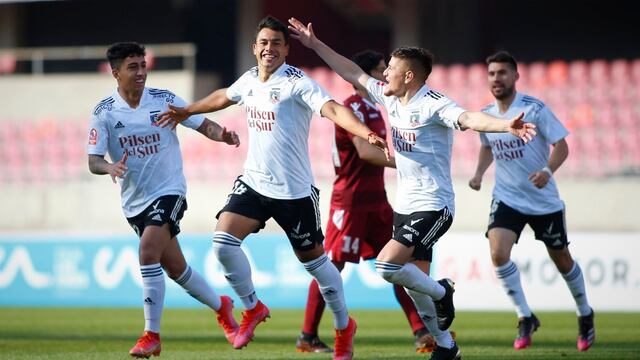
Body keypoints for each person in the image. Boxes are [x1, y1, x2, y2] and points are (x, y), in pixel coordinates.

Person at [287, 18, 537, 360]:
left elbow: (468, 119)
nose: (383, 74)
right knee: (414, 287)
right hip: (404, 206)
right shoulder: (390, 99)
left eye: (390, 68)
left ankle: (443, 291)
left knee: (387, 267)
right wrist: (314, 44)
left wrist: (505, 125)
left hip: (434, 206)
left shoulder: (434, 104)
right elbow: (350, 71)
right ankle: (447, 347)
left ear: (408, 76)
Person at [157, 16, 389, 360]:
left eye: (277, 43)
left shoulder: (297, 82)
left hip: (294, 192)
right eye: (264, 42)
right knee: (222, 243)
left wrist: (365, 132)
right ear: (255, 48)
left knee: (318, 266)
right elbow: (225, 96)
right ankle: (252, 307)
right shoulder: (250, 79)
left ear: (286, 49)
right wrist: (187, 110)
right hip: (253, 182)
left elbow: (333, 109)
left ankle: (343, 327)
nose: (269, 48)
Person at [86, 42, 241, 358]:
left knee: (147, 251)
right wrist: (109, 166)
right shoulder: (104, 112)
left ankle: (150, 335)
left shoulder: (165, 100)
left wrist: (222, 135)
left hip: (169, 191)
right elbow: (93, 160)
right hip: (134, 202)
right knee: (175, 268)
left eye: (143, 65)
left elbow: (203, 123)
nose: (141, 72)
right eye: (133, 67)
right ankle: (221, 305)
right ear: (116, 73)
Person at [296, 49, 440, 355]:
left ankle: (420, 331)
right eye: (380, 69)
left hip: (377, 201)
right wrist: (410, 162)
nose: (385, 74)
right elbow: (365, 152)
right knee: (329, 267)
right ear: (367, 75)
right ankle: (307, 335)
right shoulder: (354, 108)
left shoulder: (376, 108)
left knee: (398, 265)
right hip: (349, 202)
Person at [468, 50, 595, 351]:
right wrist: (477, 174)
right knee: (498, 253)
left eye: (502, 73)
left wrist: (547, 171)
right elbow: (487, 145)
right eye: (491, 74)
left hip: (542, 200)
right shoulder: (486, 114)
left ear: (515, 76)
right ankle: (525, 316)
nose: (496, 78)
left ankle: (585, 313)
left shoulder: (535, 109)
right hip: (507, 196)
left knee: (562, 260)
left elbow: (561, 146)